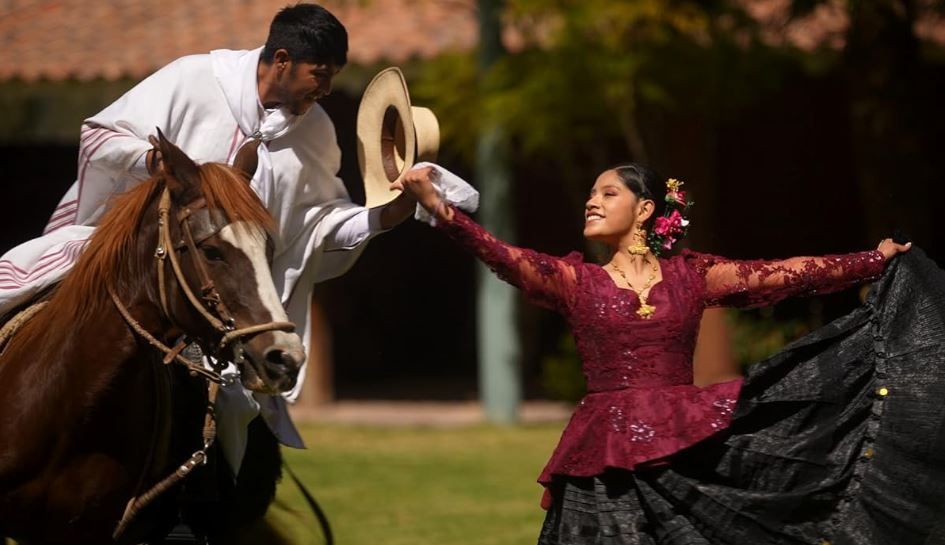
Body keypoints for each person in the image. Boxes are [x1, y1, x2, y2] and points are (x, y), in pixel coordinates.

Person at [395, 163, 945, 544]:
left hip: (689, 451)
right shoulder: (573, 280)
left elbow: (787, 273)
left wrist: (873, 261)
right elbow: (503, 256)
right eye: (591, 193)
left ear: (645, 209)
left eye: (607, 192)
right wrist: (442, 211)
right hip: (602, 458)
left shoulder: (692, 274)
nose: (591, 200)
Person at [0, 0, 417, 500]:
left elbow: (319, 223)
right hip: (128, 263)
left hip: (224, 302)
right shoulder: (193, 79)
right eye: (319, 74)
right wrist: (152, 158)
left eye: (331, 77)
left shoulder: (316, 131)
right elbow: (99, 135)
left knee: (239, 413)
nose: (325, 89)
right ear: (281, 60)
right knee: (11, 288)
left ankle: (200, 510)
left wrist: (385, 216)